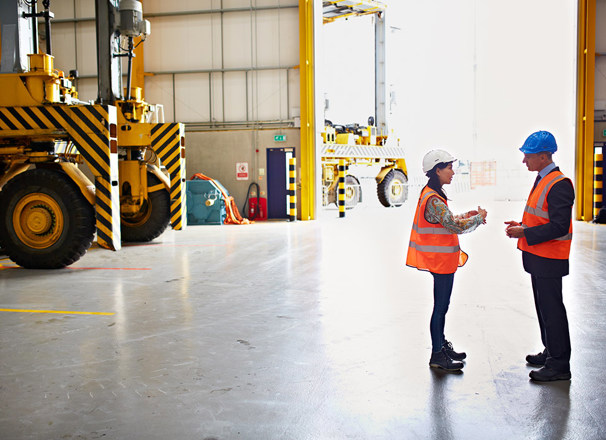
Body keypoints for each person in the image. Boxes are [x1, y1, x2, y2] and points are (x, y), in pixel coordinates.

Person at [407, 149, 487, 372]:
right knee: (440, 307)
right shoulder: (433, 199)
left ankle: (441, 346)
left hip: (441, 261)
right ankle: (437, 354)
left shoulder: (432, 194)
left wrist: (469, 215)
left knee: (442, 306)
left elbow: (447, 221)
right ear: (437, 170)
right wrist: (479, 218)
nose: (453, 172)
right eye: (449, 167)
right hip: (441, 261)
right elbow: (454, 226)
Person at [505, 130, 574, 382]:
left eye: (528, 156)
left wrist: (525, 231)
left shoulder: (559, 184)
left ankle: (559, 365)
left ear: (544, 157)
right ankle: (551, 352)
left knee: (552, 310)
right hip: (538, 257)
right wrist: (523, 225)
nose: (525, 161)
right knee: (544, 309)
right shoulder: (543, 179)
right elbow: (541, 216)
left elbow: (559, 226)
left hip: (550, 259)